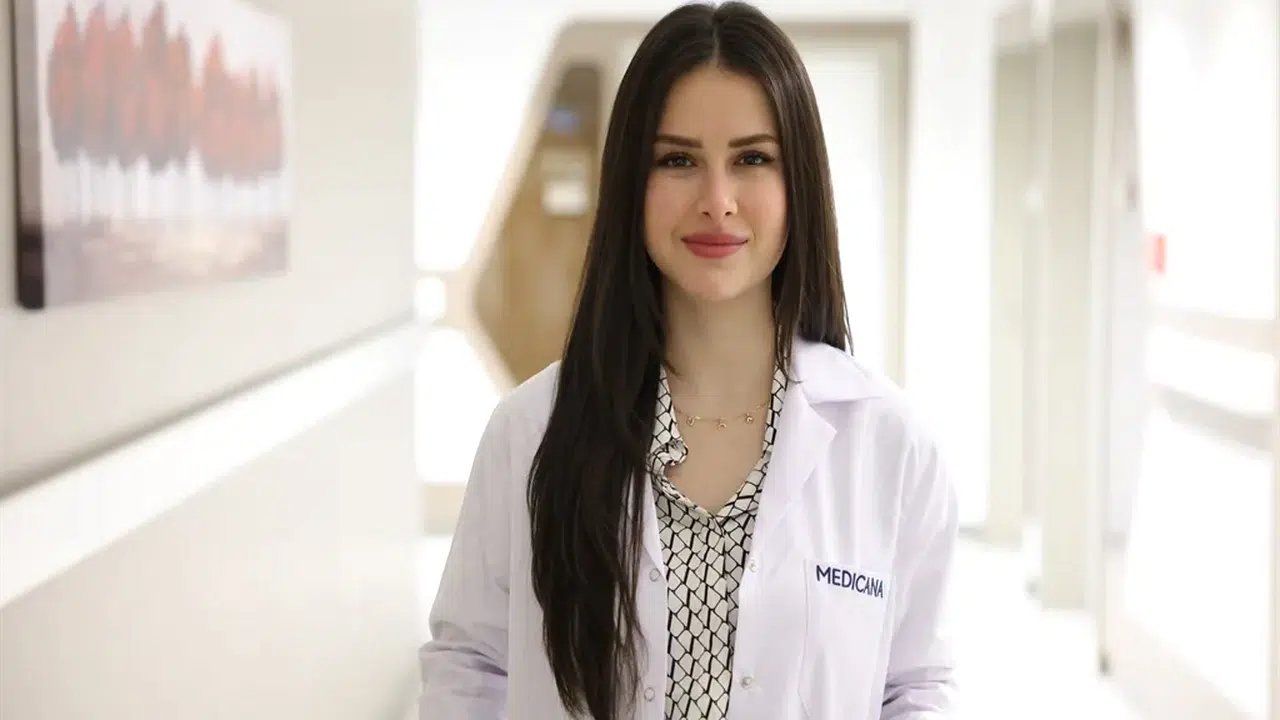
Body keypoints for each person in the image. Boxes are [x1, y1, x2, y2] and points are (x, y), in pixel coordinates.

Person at [418, 2, 960, 718]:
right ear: (630, 185)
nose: (717, 200)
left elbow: (915, 686)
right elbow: (471, 665)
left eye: (752, 159)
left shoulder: (891, 444)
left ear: (798, 183)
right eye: (677, 160)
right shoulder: (530, 432)